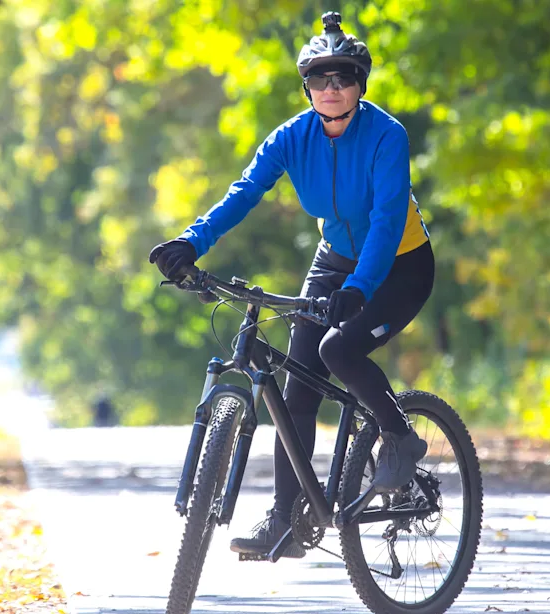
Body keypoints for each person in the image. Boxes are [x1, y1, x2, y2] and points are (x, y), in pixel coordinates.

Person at [149, 12, 434, 558]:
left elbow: (385, 219)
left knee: (339, 348)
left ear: (360, 85)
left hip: (399, 263)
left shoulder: (386, 136)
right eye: (321, 78)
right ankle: (287, 517)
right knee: (299, 382)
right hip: (335, 259)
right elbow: (244, 191)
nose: (332, 88)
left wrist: (361, 287)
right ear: (306, 86)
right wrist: (192, 242)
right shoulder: (291, 138)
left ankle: (400, 437)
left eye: (343, 77)